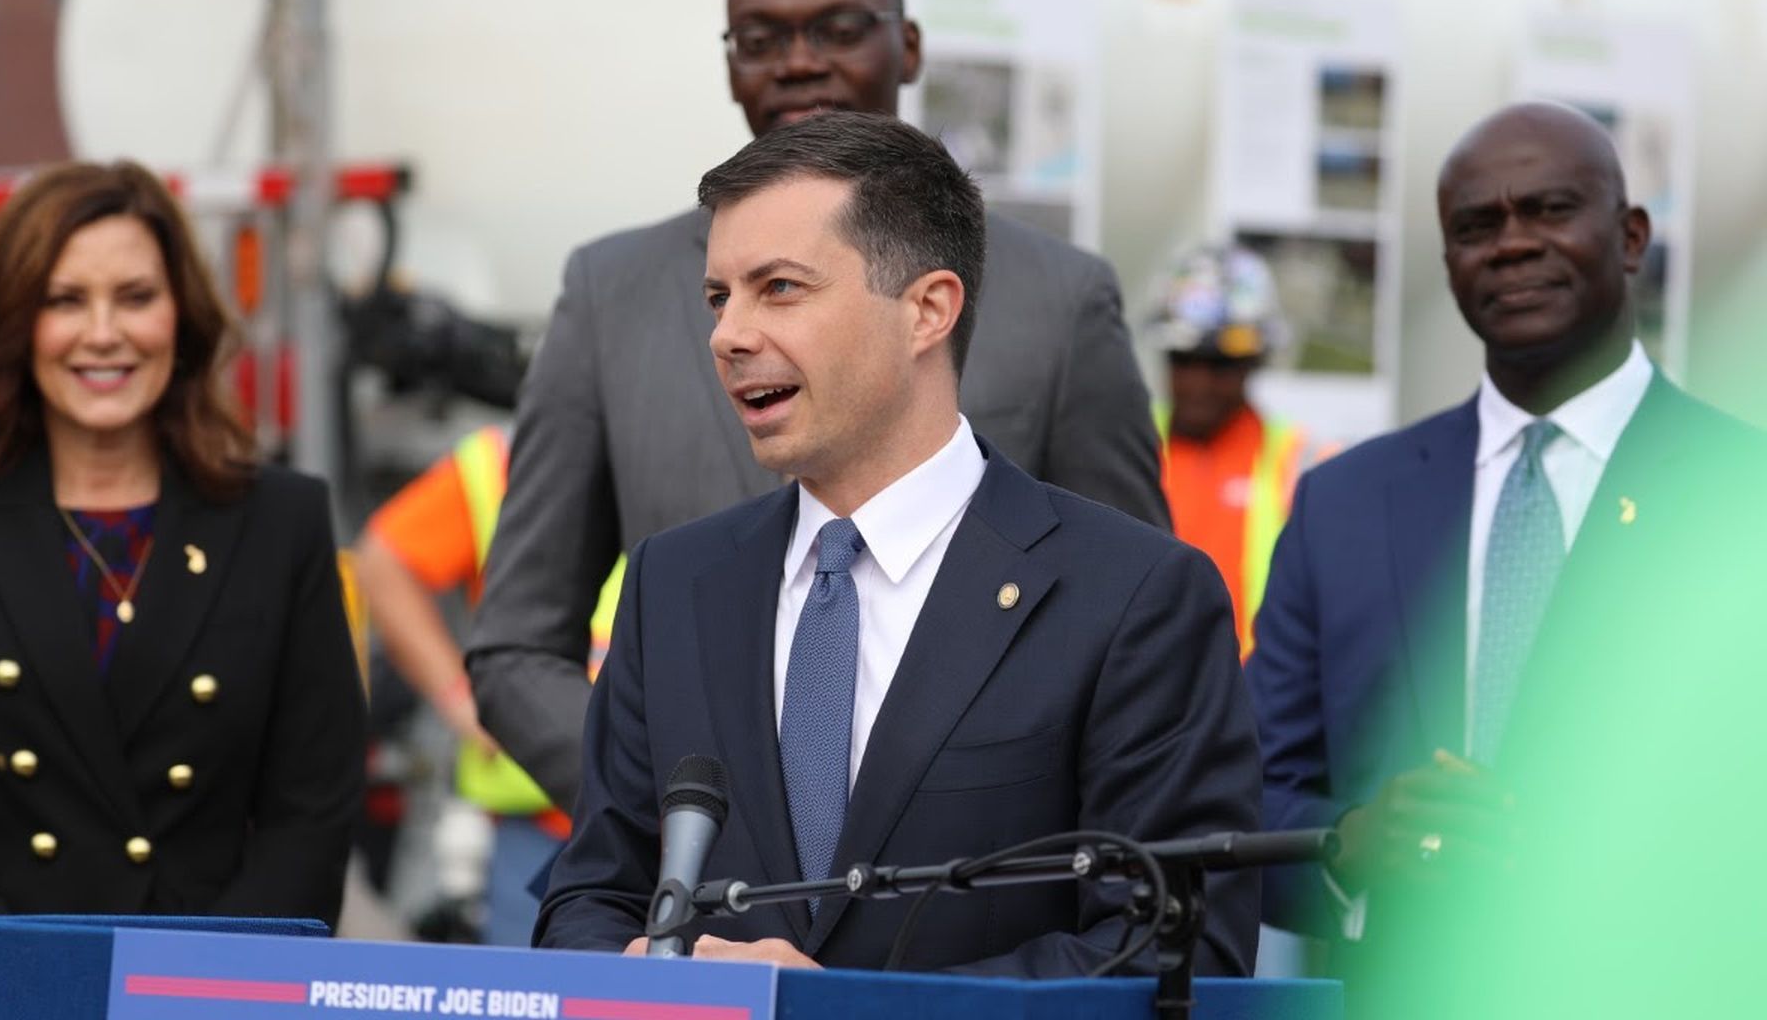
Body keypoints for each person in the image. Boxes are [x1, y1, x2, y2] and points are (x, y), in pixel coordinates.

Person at [537, 111, 1258, 976]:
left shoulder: (1133, 597)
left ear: (927, 310)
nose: (728, 335)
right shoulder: (675, 583)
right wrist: (637, 979)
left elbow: (1173, 955)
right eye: (719, 297)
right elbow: (592, 896)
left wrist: (847, 1011)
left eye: (780, 288)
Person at [465, 0, 1169, 812]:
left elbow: (1132, 619)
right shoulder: (612, 294)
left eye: (837, 29)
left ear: (908, 47)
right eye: (761, 39)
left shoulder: (1059, 298)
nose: (799, 62)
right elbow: (517, 645)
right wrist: (669, 818)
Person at [1244, 102, 1767, 999]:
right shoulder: (1345, 505)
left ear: (1631, 238)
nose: (1513, 244)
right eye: (1476, 226)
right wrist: (1350, 844)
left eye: (1551, 210)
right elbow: (1243, 795)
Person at [0, 161, 367, 1015]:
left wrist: (192, 997)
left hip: (197, 1004)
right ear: (18, 321)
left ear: (181, 315)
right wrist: (14, 986)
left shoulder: (282, 523)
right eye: (65, 300)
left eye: (135, 297)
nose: (103, 333)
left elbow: (310, 821)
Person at [355, 424, 620, 945]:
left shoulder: (708, 434)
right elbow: (383, 563)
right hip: (541, 821)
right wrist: (462, 699)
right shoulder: (498, 460)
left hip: (673, 812)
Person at [1148, 245, 1306, 660]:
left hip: (1250, 688)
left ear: (1253, 362)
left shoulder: (1300, 463)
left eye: (1219, 364)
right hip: (1139, 687)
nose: (1198, 383)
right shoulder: (1129, 448)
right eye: (1184, 360)